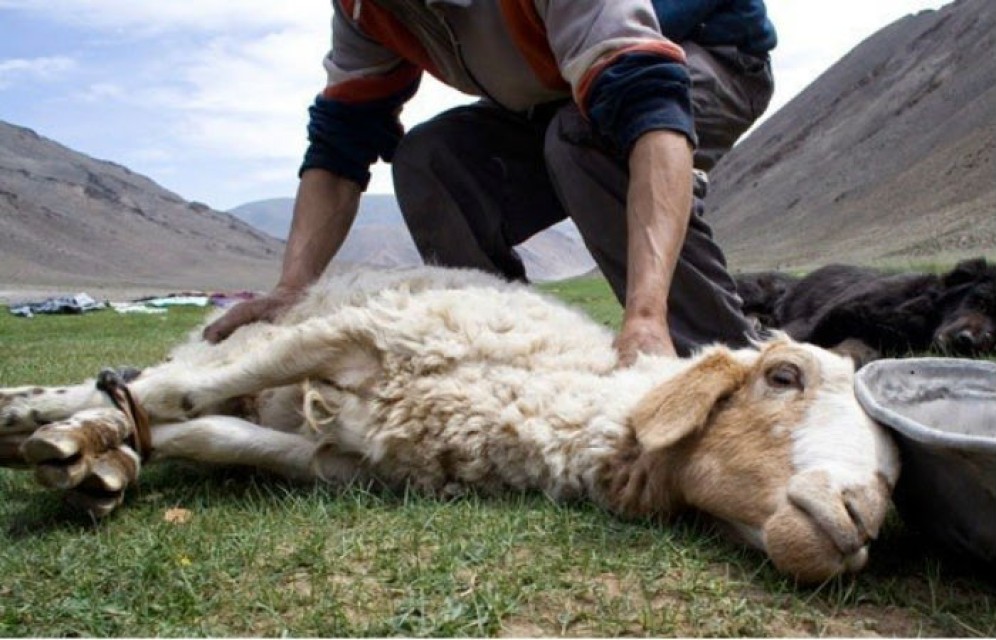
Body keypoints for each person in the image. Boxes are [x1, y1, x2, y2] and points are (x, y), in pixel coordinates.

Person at [204, 0, 776, 365]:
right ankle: (512, 360)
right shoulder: (365, 9)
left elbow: (645, 100)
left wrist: (645, 315)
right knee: (431, 160)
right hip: (559, 90)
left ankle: (726, 357)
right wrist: (292, 290)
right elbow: (341, 139)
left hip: (711, 56)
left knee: (583, 140)